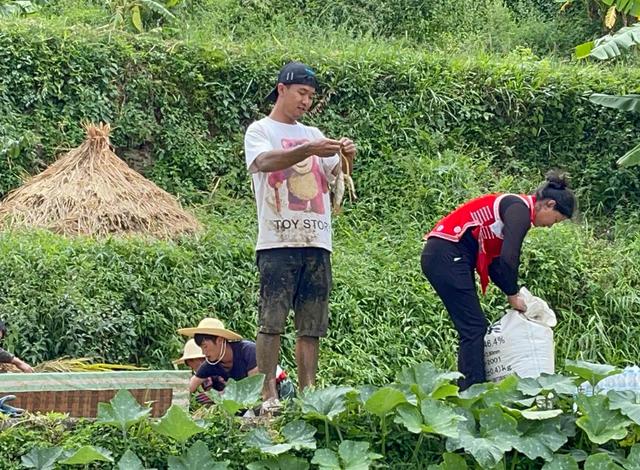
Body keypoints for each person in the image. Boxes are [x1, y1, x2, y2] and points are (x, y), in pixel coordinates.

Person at [244, 61, 357, 402]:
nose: (306, 101)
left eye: (311, 96)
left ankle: (309, 395)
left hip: (317, 241)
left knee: (312, 326)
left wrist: (347, 155)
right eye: (301, 93)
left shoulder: (316, 134)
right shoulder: (260, 130)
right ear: (282, 89)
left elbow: (338, 176)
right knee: (271, 321)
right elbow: (263, 163)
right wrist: (307, 150)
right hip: (277, 241)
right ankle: (268, 396)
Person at [421, 171, 576, 390]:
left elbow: (495, 266)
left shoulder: (514, 211)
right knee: (474, 328)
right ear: (549, 205)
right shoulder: (519, 210)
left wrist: (513, 293)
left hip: (447, 255)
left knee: (472, 327)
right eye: (556, 220)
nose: (551, 225)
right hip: (446, 253)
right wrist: (513, 295)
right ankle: (471, 394)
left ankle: (469, 388)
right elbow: (509, 258)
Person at [177, 318, 294, 401]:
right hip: (249, 400)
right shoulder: (210, 363)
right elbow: (187, 388)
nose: (203, 353)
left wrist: (218, 395)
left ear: (219, 340)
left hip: (277, 391)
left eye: (205, 346)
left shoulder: (248, 351)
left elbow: (254, 388)